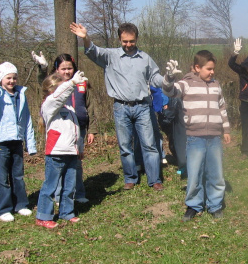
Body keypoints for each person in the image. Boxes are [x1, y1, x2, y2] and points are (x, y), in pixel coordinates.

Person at [69, 22, 164, 191]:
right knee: (125, 145)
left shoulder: (145, 58)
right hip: (121, 107)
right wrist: (86, 38)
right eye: (125, 41)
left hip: (142, 106)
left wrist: (168, 79)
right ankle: (130, 177)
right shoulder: (110, 56)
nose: (128, 45)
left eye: (132, 41)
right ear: (119, 39)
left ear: (137, 39)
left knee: (149, 144)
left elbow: (155, 78)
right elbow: (93, 51)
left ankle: (155, 179)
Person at [162, 52, 231, 221]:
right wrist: (169, 77)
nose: (212, 72)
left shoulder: (216, 85)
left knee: (216, 173)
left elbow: (222, 107)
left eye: (213, 69)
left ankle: (215, 204)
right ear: (198, 68)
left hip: (214, 138)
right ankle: (194, 204)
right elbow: (169, 91)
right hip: (195, 138)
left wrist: (226, 129)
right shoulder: (186, 84)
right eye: (209, 69)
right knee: (194, 173)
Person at [31, 52, 96, 203]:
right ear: (56, 70)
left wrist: (92, 128)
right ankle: (59, 194)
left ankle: (78, 193)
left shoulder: (81, 82)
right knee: (60, 165)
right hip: (60, 132)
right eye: (63, 69)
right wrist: (42, 68)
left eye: (70, 68)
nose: (67, 72)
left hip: (79, 127)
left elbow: (90, 106)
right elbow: (43, 82)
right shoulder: (55, 84)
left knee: (76, 164)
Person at [36, 71, 87, 228]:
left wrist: (79, 148)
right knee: (50, 186)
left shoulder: (69, 109)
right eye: (59, 88)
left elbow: (75, 130)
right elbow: (58, 96)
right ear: (52, 90)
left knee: (69, 186)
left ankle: (67, 212)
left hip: (71, 153)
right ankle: (43, 216)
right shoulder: (49, 105)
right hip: (56, 153)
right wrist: (71, 83)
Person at [0, 62, 36, 222]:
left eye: (14, 78)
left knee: (17, 175)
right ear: (0, 79)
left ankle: (20, 204)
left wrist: (30, 144)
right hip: (0, 142)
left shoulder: (21, 95)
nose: (11, 81)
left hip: (17, 141)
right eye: (8, 78)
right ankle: (3, 208)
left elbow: (27, 121)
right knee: (2, 177)